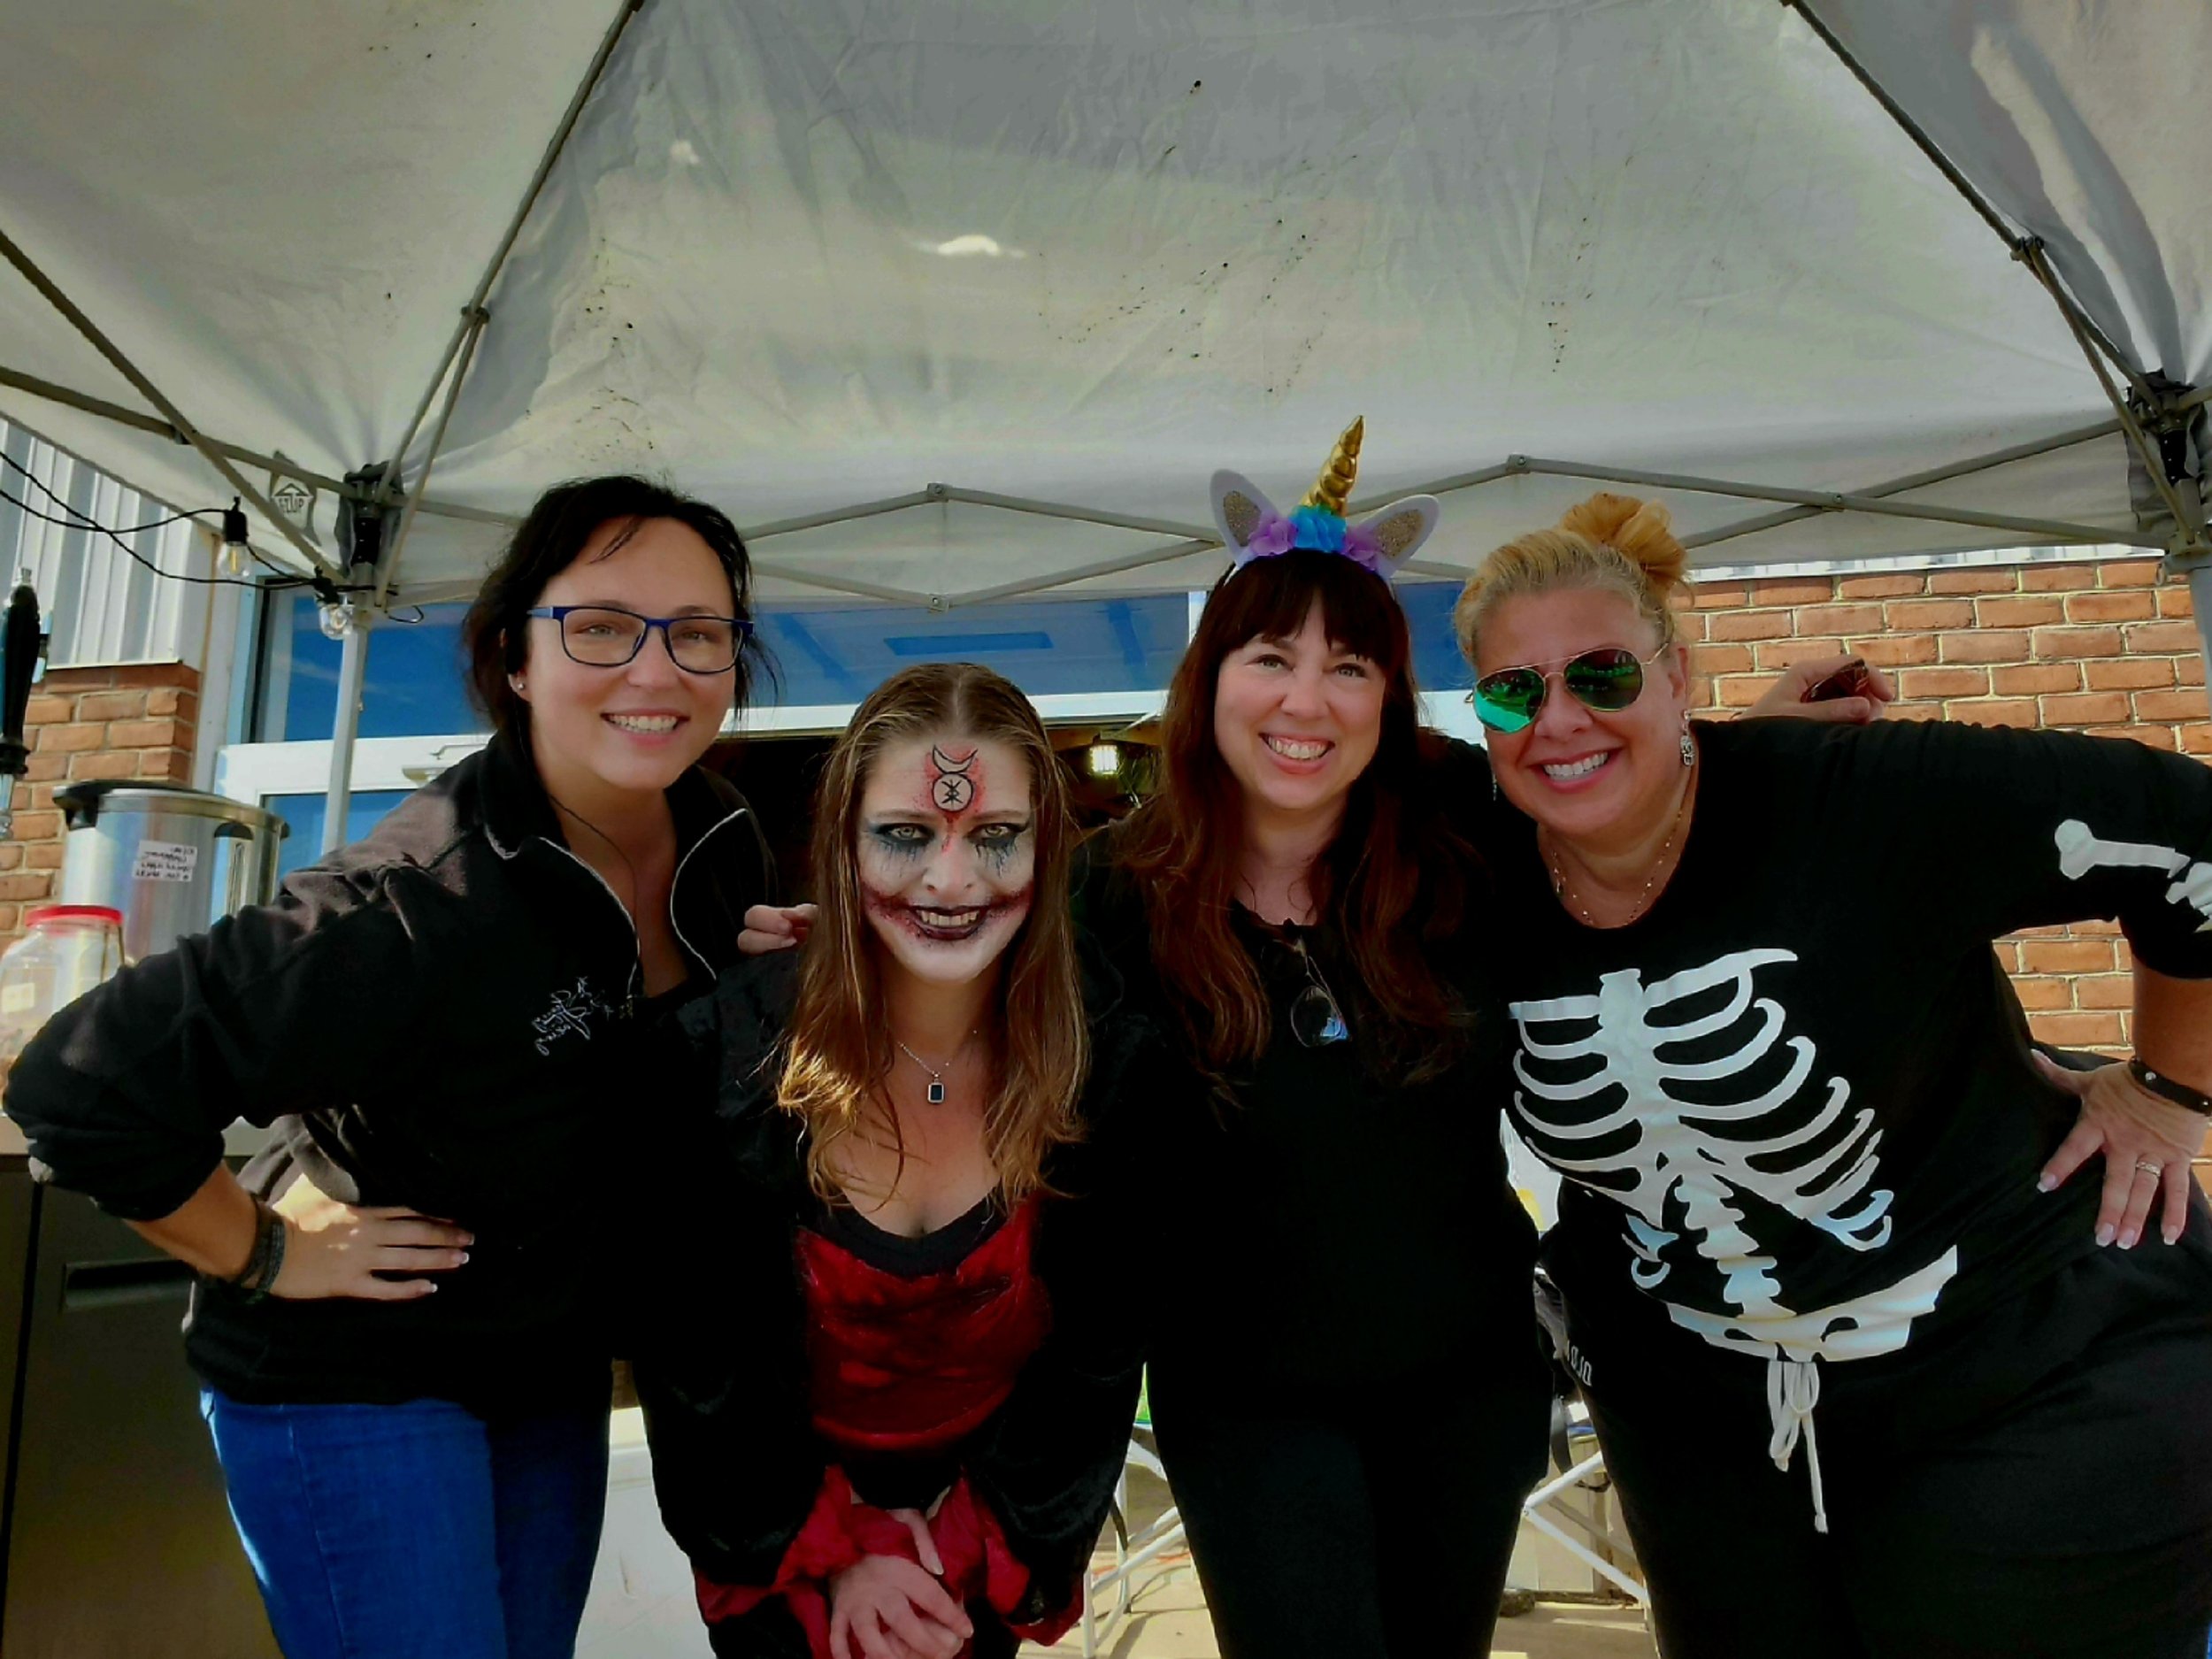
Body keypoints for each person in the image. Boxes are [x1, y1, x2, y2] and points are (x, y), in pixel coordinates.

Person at [4, 474, 775, 1659]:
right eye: (603, 625)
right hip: (358, 1377)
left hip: (544, 1364)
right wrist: (261, 1245)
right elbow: (83, 1079)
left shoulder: (720, 838)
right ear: (514, 657)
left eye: (701, 632)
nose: (657, 669)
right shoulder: (416, 900)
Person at [1454, 492, 2212, 1657]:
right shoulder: (1471, 868)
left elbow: (2192, 835)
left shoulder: (1866, 795)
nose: (1559, 719)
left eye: (1604, 676)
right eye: (1516, 691)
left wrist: (2171, 1087)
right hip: (1701, 1427)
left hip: (2006, 1369)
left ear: (1679, 674)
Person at [639, 662, 1148, 1659]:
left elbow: (1095, 1359)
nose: (951, 883)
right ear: (841, 845)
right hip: (784, 1553)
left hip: (988, 1552)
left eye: (995, 837)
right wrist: (842, 1551)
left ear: (1046, 849)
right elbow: (697, 1361)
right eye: (905, 836)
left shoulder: (1107, 1064)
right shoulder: (716, 1057)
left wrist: (955, 1548)